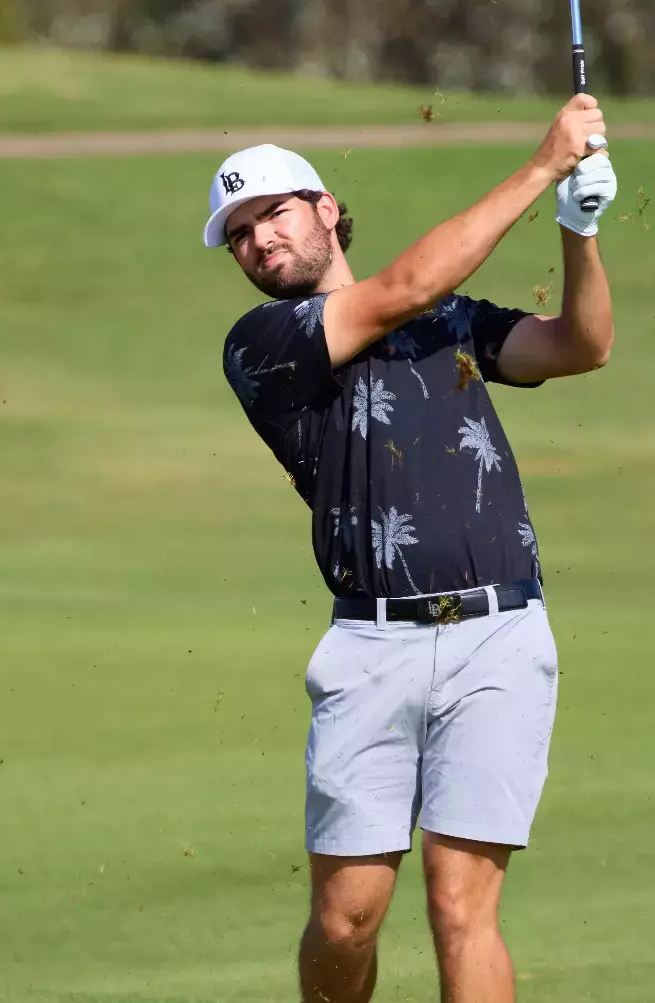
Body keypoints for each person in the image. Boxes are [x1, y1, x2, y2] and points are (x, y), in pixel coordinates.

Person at [206, 95, 618, 1003]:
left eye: (272, 213)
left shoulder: (455, 321)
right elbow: (398, 291)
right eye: (239, 235)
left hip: (499, 636)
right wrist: (543, 164)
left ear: (323, 207)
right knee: (348, 914)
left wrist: (578, 228)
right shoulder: (263, 345)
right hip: (371, 646)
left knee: (460, 904)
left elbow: (582, 345)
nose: (260, 241)